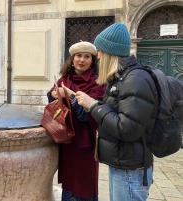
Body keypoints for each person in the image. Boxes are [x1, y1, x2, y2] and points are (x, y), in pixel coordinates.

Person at [74, 23, 159, 201]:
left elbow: (127, 128)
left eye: (100, 52)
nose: (98, 57)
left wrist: (94, 106)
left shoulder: (134, 79)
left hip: (130, 170)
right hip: (122, 164)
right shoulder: (121, 78)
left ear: (110, 52)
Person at [47, 41, 106, 200]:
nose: (82, 60)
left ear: (92, 61)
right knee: (69, 180)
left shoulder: (99, 82)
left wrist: (70, 94)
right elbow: (53, 104)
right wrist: (53, 94)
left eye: (87, 57)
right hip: (67, 141)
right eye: (78, 56)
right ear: (72, 59)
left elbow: (89, 113)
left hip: (86, 142)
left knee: (85, 183)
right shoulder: (64, 79)